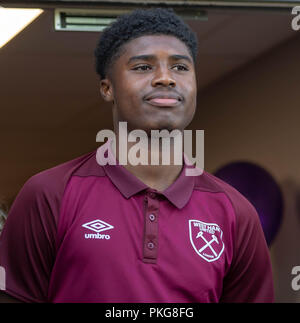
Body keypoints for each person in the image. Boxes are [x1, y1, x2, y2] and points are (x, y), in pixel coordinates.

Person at [0, 8, 274, 303]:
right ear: (108, 88)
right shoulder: (50, 193)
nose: (166, 79)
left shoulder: (235, 213)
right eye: (143, 67)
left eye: (181, 68)